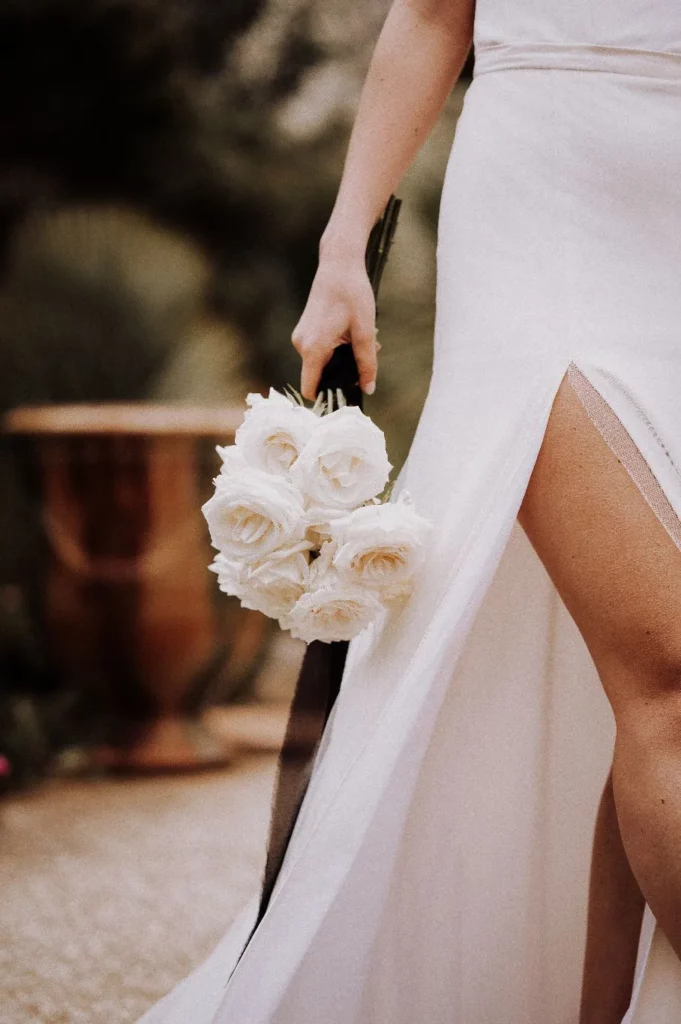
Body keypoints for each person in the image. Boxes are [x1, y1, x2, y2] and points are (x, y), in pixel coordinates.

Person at [138, 1, 681, 1021]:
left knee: (647, 687)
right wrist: (345, 244)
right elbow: (432, 14)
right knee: (673, 659)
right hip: (553, 210)